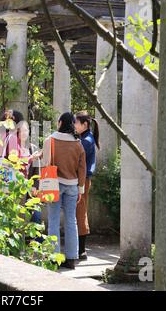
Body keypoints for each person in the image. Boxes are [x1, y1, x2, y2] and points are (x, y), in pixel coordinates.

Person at [41, 112, 86, 269]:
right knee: (71, 220)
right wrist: (80, 189)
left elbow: (46, 163)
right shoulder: (78, 144)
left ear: (60, 122)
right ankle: (72, 258)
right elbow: (82, 169)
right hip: (73, 186)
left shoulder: (50, 140)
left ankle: (54, 258)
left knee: (53, 221)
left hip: (54, 184)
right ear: (72, 124)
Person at [73, 111, 100, 260]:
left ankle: (82, 250)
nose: (74, 125)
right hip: (82, 178)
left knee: (80, 210)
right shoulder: (85, 138)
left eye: (76, 122)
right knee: (79, 210)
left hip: (83, 179)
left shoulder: (86, 141)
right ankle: (80, 249)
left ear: (85, 124)